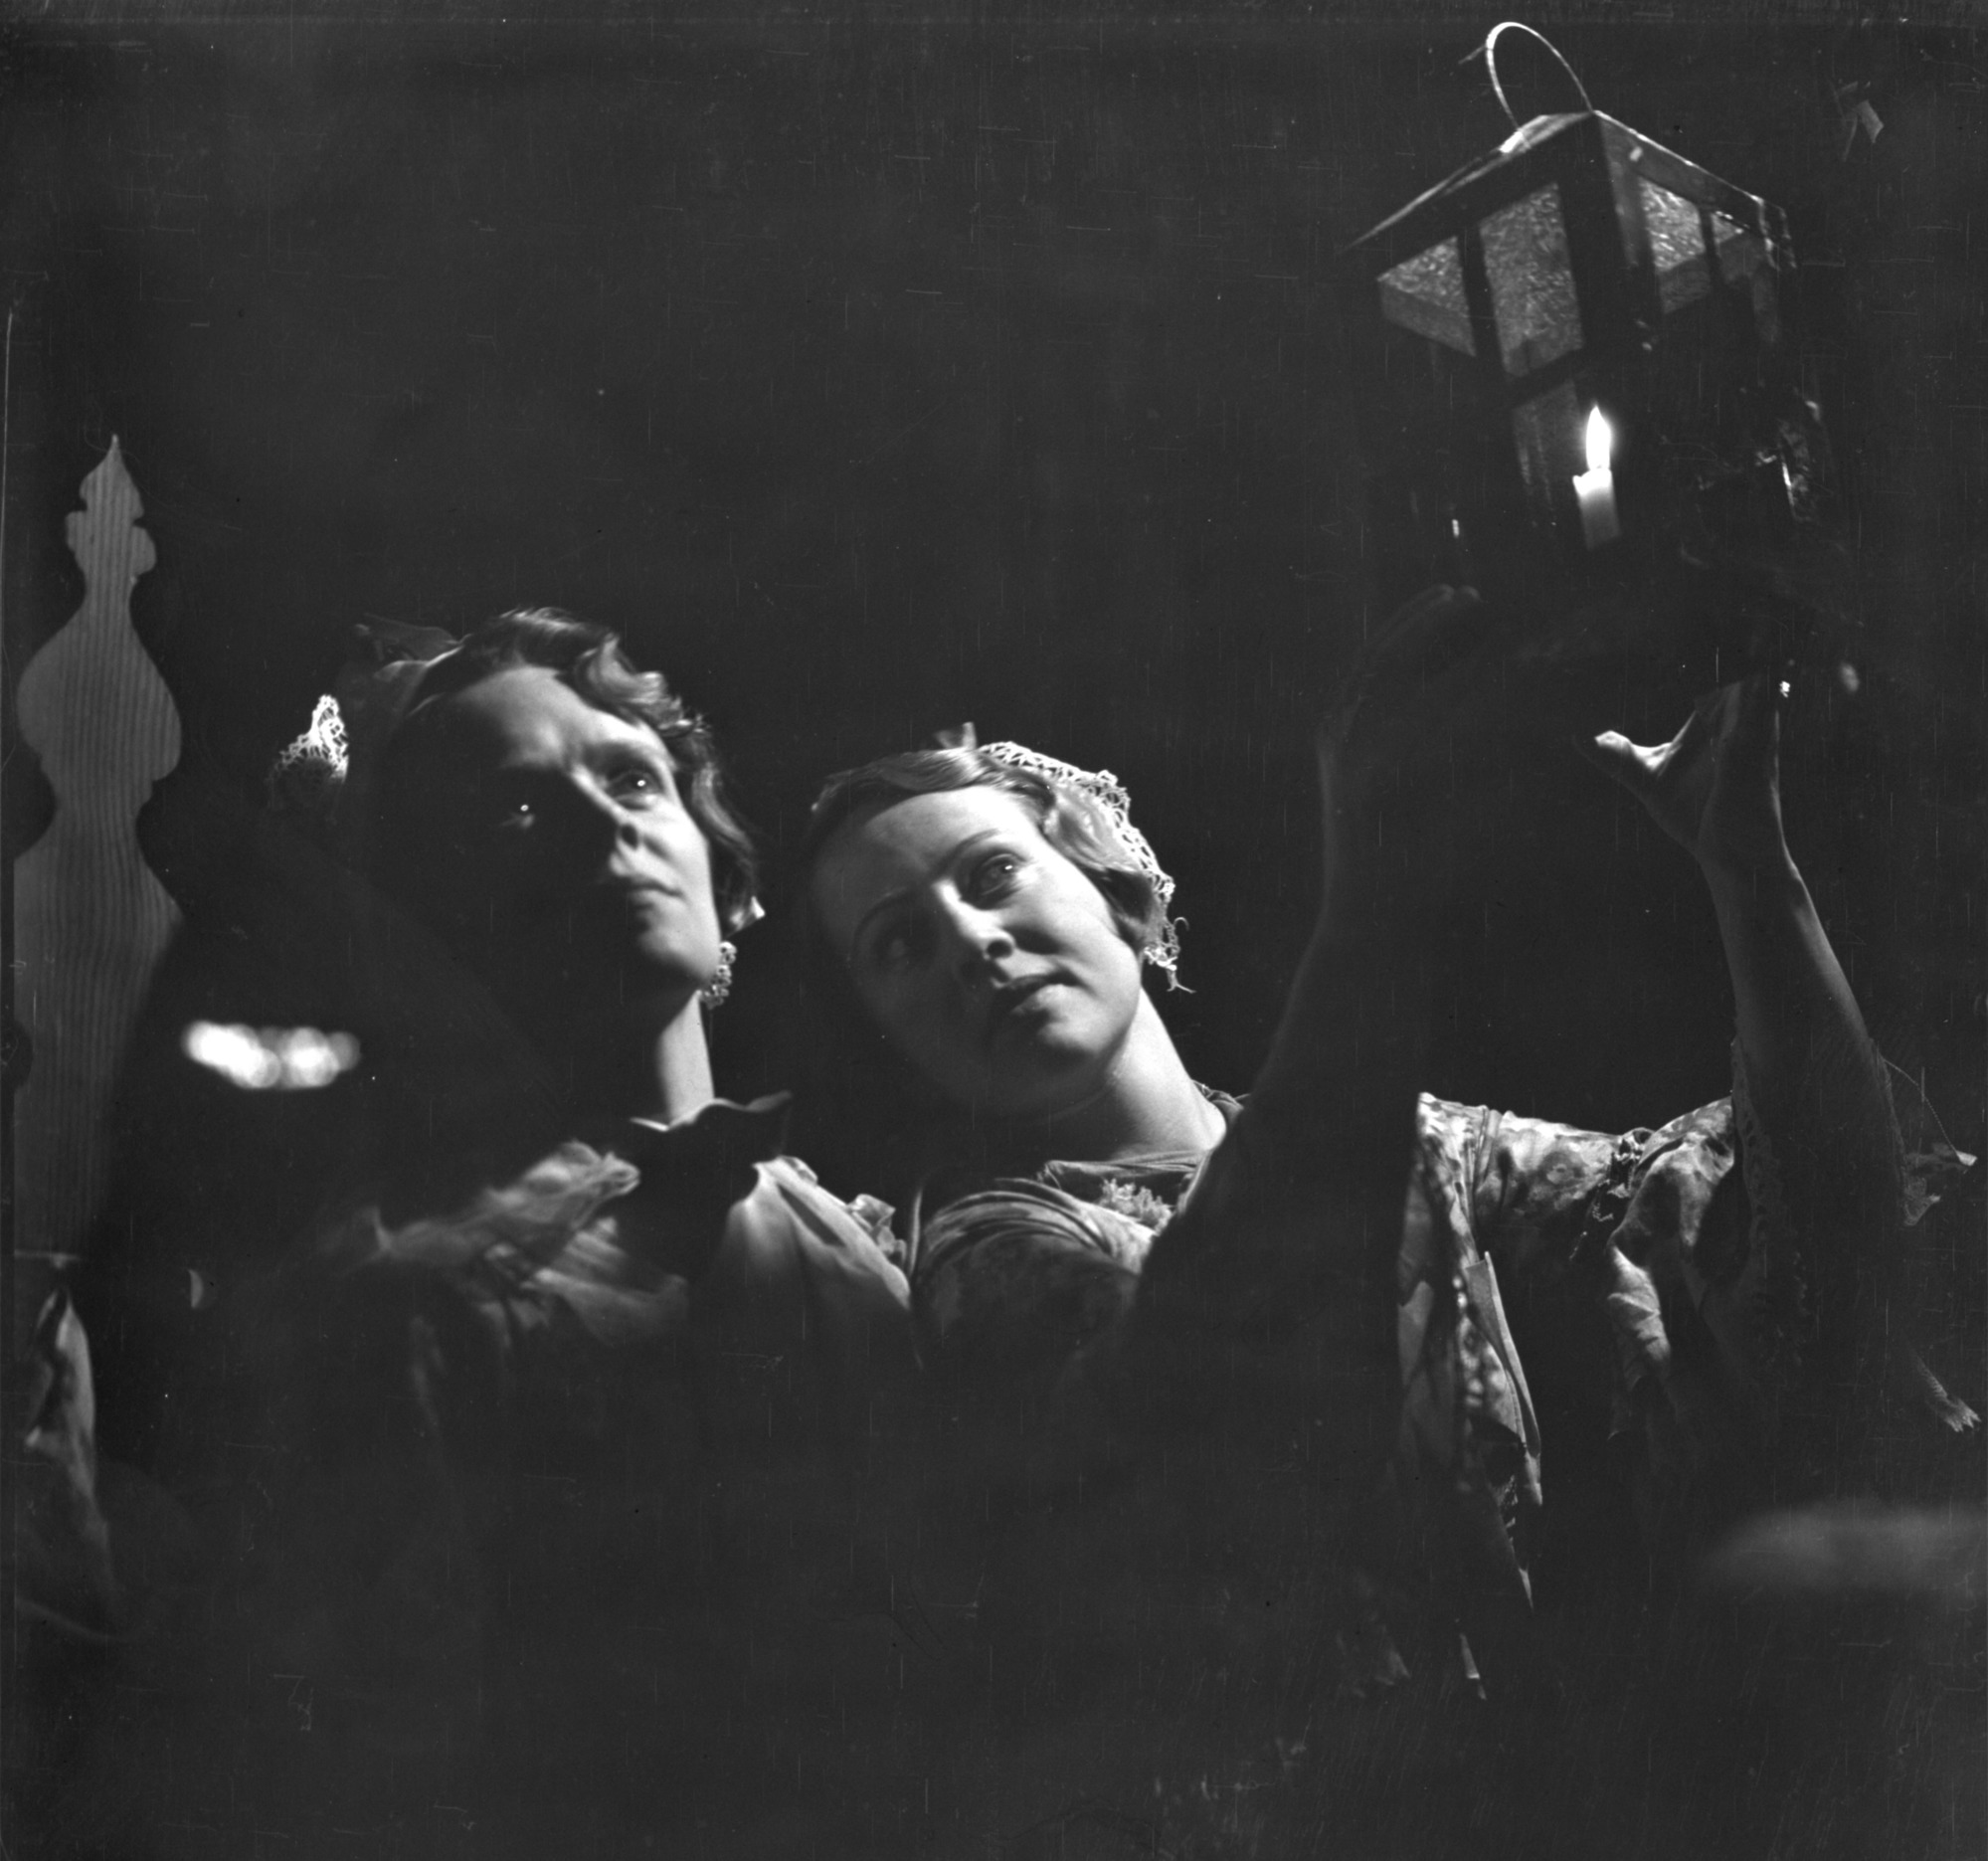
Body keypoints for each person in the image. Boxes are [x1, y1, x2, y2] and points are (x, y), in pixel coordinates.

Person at [796, 588, 1977, 1852]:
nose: (972, 939)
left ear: (1110, 890)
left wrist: (1752, 872)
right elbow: (1256, 1373)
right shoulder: (983, 1251)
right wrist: (1374, 885)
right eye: (900, 946)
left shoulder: (1419, 1145)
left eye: (990, 875)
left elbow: (1799, 1230)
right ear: (888, 1035)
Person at [47, 610, 920, 1857]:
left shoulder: (840, 1231)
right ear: (431, 923)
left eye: (629, 773)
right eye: (512, 809)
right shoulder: (419, 1293)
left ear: (726, 873)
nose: (596, 819)